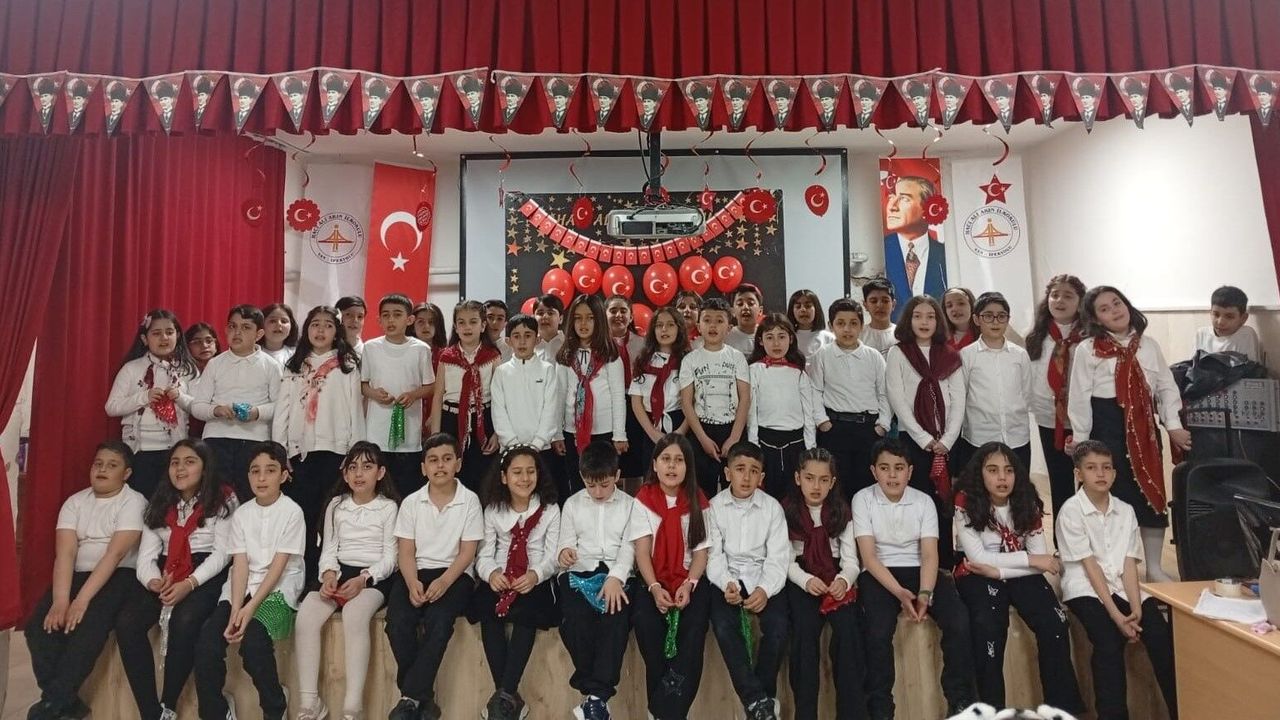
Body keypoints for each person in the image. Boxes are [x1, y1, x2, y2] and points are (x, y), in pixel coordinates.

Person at [1068, 286, 1190, 583]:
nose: (1114, 310)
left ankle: (1154, 567)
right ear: (1095, 319)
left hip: (1144, 430)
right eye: (1104, 309)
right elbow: (1079, 397)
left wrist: (1173, 424)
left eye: (1117, 303)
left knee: (1150, 495)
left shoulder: (1148, 345)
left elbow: (1165, 387)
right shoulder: (1088, 349)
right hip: (1106, 428)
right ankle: (1115, 568)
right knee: (1109, 496)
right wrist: (1082, 440)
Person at [952, 443, 1083, 714]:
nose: (1002, 478)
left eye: (1008, 470)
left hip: (1012, 572)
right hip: (977, 574)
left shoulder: (1026, 500)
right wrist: (1029, 561)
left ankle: (1060, 710)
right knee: (987, 627)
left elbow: (1039, 558)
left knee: (1055, 622)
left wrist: (999, 571)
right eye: (993, 470)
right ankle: (991, 711)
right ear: (980, 474)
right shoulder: (966, 501)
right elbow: (980, 558)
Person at [854, 439, 975, 720]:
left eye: (899, 468)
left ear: (910, 471)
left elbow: (930, 555)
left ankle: (959, 700)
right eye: (884, 468)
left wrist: (924, 593)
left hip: (921, 570)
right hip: (880, 573)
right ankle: (881, 709)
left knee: (958, 621)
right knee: (877, 631)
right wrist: (900, 593)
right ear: (873, 471)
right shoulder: (862, 499)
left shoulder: (923, 501)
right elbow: (869, 558)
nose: (892, 475)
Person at [24, 442, 146, 720]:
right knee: (39, 627)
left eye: (112, 465)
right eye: (98, 464)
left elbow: (115, 555)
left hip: (118, 575)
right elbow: (66, 554)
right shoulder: (75, 502)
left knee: (87, 627)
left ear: (126, 473)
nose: (102, 470)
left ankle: (52, 704)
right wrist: (61, 600)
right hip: (77, 574)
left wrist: (80, 601)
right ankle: (65, 702)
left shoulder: (133, 501)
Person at [1057, 441, 1178, 720]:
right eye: (1091, 468)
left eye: (1106, 467)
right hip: (1085, 587)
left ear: (1114, 473)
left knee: (1160, 634)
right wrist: (1117, 616)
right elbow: (1090, 567)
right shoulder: (1071, 511)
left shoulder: (1125, 510)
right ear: (1078, 474)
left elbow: (1128, 564)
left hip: (1122, 585)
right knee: (1108, 641)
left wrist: (1135, 609)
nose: (1100, 474)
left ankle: (1181, 711)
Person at [117, 440, 236, 720]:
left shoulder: (223, 498)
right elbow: (146, 557)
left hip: (206, 570)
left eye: (189, 462)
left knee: (186, 618)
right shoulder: (160, 501)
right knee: (127, 623)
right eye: (175, 462)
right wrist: (153, 582)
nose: (180, 468)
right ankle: (151, 712)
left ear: (205, 467)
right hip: (166, 570)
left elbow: (223, 553)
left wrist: (189, 583)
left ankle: (168, 705)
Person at [192, 441, 306, 720]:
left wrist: (250, 608)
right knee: (207, 644)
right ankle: (217, 711)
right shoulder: (242, 514)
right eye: (255, 471)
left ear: (284, 475)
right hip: (239, 588)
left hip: (279, 588)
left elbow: (278, 567)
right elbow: (240, 564)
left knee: (253, 643)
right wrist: (235, 610)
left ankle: (275, 706)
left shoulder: (292, 512)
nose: (262, 477)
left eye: (270, 470)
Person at [294, 442, 400, 720]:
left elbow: (391, 557)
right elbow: (329, 549)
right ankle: (310, 702)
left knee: (355, 615)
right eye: (352, 467)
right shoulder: (336, 505)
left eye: (367, 466)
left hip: (373, 577)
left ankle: (353, 707)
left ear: (380, 472)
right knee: (306, 616)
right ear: (345, 474)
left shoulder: (388, 508)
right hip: (340, 572)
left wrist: (364, 579)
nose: (359, 473)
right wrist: (329, 574)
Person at [385, 433, 483, 720]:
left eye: (447, 459)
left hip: (455, 574)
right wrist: (412, 582)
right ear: (423, 467)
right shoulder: (411, 502)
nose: (440, 466)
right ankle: (423, 700)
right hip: (415, 571)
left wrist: (444, 581)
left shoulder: (470, 501)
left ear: (458, 464)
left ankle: (410, 697)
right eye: (433, 460)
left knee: (439, 621)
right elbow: (405, 552)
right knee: (397, 622)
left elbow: (467, 553)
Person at [556, 441, 648, 720]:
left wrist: (616, 577)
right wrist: (565, 553)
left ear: (617, 476)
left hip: (616, 574)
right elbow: (564, 542)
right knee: (574, 622)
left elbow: (629, 548)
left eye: (604, 485)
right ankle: (597, 696)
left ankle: (594, 699)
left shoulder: (631, 505)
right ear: (582, 477)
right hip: (578, 572)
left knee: (615, 622)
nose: (597, 492)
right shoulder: (572, 504)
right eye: (590, 485)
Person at [273, 305, 364, 583]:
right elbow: (283, 410)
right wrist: (280, 452)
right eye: (315, 324)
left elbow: (354, 410)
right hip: (300, 454)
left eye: (328, 325)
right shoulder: (295, 366)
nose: (321, 330)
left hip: (336, 453)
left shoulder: (346, 366)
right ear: (306, 329)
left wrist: (354, 454)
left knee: (330, 517)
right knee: (304, 517)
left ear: (337, 331)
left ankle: (327, 576)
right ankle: (302, 577)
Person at [470, 445, 561, 720]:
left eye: (530, 472)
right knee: (488, 615)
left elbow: (553, 556)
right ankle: (508, 700)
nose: (524, 478)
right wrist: (491, 574)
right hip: (501, 576)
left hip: (534, 578)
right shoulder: (493, 510)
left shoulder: (550, 510)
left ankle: (503, 697)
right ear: (504, 477)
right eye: (517, 472)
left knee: (527, 616)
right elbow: (483, 554)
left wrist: (535, 575)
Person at [706, 441, 791, 720]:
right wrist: (726, 584)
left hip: (763, 578)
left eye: (754, 471)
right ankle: (758, 701)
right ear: (727, 473)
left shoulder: (772, 508)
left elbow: (778, 558)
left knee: (778, 628)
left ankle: (758, 703)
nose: (746, 477)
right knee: (723, 626)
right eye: (740, 469)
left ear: (761, 477)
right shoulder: (714, 507)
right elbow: (713, 556)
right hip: (727, 579)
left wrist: (765, 589)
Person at [631, 434, 712, 720]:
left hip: (690, 580)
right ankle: (668, 711)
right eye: (665, 459)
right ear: (655, 464)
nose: (672, 466)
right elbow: (642, 552)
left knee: (694, 632)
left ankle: (664, 712)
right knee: (645, 624)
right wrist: (654, 588)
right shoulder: (643, 499)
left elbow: (701, 552)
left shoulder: (698, 500)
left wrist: (689, 585)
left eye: (679, 460)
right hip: (652, 580)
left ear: (688, 466)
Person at [782, 448, 866, 720]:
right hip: (802, 578)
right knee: (804, 634)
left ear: (832, 482)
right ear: (798, 478)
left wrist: (843, 580)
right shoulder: (786, 512)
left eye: (823, 479)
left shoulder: (842, 512)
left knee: (848, 633)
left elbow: (852, 561)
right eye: (809, 478)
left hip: (835, 576)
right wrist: (806, 581)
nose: (816, 486)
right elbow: (784, 561)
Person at [886, 296, 965, 566]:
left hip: (947, 442)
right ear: (908, 320)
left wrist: (948, 439)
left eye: (930, 316)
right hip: (914, 441)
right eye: (918, 316)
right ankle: (918, 560)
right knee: (917, 501)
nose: (924, 322)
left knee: (944, 502)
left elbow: (958, 400)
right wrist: (924, 439)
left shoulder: (950, 355)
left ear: (938, 321)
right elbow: (897, 398)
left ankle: (944, 561)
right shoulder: (898, 353)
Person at [189, 305, 283, 500]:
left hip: (254, 441)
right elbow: (197, 406)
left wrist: (256, 412)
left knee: (249, 497)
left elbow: (280, 406)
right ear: (225, 330)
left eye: (246, 327)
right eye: (232, 326)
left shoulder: (271, 365)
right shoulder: (215, 363)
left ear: (259, 334)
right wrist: (216, 410)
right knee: (215, 499)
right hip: (216, 439)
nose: (237, 332)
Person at [106, 309, 199, 498]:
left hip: (175, 452)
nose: (164, 338)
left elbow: (199, 408)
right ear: (144, 339)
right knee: (142, 503)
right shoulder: (132, 368)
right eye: (156, 333)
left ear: (177, 335)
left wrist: (180, 397)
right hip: (139, 451)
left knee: (171, 503)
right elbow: (112, 407)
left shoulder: (188, 370)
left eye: (169, 332)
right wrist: (144, 397)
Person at [810, 298, 890, 500]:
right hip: (834, 429)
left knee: (867, 487)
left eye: (853, 323)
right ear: (831, 326)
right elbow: (815, 391)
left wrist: (883, 425)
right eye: (841, 323)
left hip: (868, 429)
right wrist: (822, 421)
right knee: (837, 487)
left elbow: (884, 392)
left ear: (862, 326)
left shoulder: (873, 356)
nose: (847, 329)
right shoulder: (822, 355)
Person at [1024, 274, 1088, 518]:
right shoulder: (1036, 336)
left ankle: (1087, 535)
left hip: (1085, 420)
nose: (1060, 300)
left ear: (1080, 302)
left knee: (1089, 482)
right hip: (1049, 419)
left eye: (1068, 296)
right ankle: (1062, 536)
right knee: (1059, 482)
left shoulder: (1090, 336)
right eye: (1055, 295)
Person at [362, 293, 436, 498]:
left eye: (397, 315)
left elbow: (430, 386)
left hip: (409, 435)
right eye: (386, 315)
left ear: (409, 319)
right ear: (379, 320)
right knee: (378, 491)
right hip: (377, 433)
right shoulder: (371, 347)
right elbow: (363, 385)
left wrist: (413, 395)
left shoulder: (420, 349)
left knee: (406, 491)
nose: (391, 320)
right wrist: (374, 393)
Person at [555, 295, 628, 495]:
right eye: (578, 318)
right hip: (573, 431)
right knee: (577, 481)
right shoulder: (565, 356)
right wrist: (557, 433)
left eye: (590, 318)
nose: (583, 324)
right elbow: (560, 395)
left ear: (599, 320)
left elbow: (618, 397)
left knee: (602, 482)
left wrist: (619, 434)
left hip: (604, 431)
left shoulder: (610, 356)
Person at [680, 297, 751, 498]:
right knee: (702, 493)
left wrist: (734, 438)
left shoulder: (737, 357)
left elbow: (745, 398)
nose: (713, 325)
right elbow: (687, 402)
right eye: (707, 320)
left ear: (729, 327)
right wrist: (702, 438)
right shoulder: (690, 359)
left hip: (732, 430)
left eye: (719, 321)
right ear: (698, 326)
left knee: (735, 489)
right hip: (701, 430)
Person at [430, 300, 503, 493]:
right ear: (455, 326)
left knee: (483, 476)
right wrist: (435, 435)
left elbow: (500, 398)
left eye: (473, 321)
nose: (467, 327)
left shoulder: (492, 356)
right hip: (451, 420)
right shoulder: (446, 357)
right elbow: (438, 396)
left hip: (484, 420)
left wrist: (497, 433)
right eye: (461, 322)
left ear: (483, 325)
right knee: (452, 473)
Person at [956, 292, 1032, 473]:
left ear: (1008, 319)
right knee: (980, 487)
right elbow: (960, 396)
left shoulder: (1020, 354)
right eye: (988, 316)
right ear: (976, 319)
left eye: (1001, 316)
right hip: (979, 438)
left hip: (1017, 437)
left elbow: (1027, 393)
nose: (995, 322)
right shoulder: (967, 355)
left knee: (1018, 486)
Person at [491, 313, 563, 495]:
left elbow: (551, 410)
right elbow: (499, 412)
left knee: (543, 497)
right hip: (509, 449)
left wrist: (537, 444)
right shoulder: (501, 372)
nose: (522, 341)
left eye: (528, 335)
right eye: (516, 336)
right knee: (511, 497)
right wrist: (513, 444)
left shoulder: (547, 370)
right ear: (508, 341)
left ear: (537, 339)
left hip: (542, 449)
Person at [747, 314, 815, 500]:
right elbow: (751, 412)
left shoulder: (799, 373)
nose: (776, 343)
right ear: (760, 341)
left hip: (796, 443)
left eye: (782, 336)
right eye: (769, 337)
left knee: (795, 496)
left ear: (791, 339)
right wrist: (754, 445)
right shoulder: (754, 370)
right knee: (767, 495)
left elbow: (808, 413)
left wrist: (810, 448)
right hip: (765, 441)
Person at [629, 306, 690, 468]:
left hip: (679, 422)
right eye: (659, 325)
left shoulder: (687, 361)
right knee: (652, 472)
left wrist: (681, 431)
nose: (664, 329)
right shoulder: (643, 360)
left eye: (670, 325)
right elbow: (636, 401)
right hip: (650, 424)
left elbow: (694, 401)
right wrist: (652, 432)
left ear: (679, 329)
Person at [883, 177, 947, 317]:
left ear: (928, 208)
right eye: (891, 197)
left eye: (904, 199)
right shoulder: (879, 252)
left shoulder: (946, 255)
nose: (892, 206)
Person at [606, 295, 647, 485]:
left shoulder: (643, 344)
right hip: (608, 406)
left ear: (631, 317)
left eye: (623, 311)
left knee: (635, 461)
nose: (618, 315)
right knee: (610, 461)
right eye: (613, 311)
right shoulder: (598, 345)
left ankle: (634, 500)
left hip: (635, 404)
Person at [1194, 285, 1261, 361]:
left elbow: (1248, 367)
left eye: (1229, 317)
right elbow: (1191, 365)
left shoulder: (1246, 334)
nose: (1220, 322)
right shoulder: (1202, 334)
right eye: (1216, 314)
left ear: (1243, 318)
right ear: (1210, 312)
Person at [787, 289, 834, 358]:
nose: (803, 310)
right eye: (798, 306)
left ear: (816, 309)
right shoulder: (787, 338)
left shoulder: (829, 338)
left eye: (808, 306)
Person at [859, 279, 897, 354]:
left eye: (885, 301)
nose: (879, 305)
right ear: (865, 305)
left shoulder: (901, 335)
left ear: (893, 304)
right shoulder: (859, 335)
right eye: (874, 301)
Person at [726, 284, 764, 355]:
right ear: (732, 311)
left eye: (751, 303)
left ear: (760, 310)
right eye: (740, 304)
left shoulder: (767, 335)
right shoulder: (725, 337)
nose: (745, 307)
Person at [533, 293, 566, 361]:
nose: (545, 316)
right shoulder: (527, 345)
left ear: (560, 319)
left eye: (550, 313)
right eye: (540, 313)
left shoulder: (569, 344)